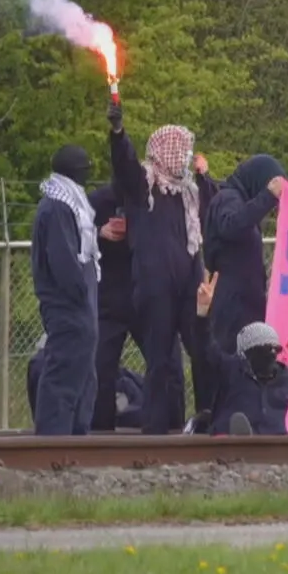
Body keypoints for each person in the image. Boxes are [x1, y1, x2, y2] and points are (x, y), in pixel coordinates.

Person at [107, 100, 216, 433]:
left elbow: (213, 208)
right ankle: (156, 429)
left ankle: (207, 417)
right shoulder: (144, 185)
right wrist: (118, 132)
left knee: (202, 349)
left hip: (188, 285)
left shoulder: (189, 191)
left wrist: (205, 176)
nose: (185, 156)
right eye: (181, 150)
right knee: (160, 359)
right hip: (155, 287)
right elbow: (124, 164)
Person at [30, 145, 100, 436]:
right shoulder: (58, 206)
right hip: (68, 304)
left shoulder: (67, 202)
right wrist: (80, 291)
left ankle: (76, 436)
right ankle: (54, 439)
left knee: (82, 371)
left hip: (78, 302)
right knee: (65, 370)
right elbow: (63, 259)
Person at [204, 155, 286, 356]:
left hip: (244, 304)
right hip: (232, 307)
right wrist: (267, 197)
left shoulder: (240, 200)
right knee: (231, 362)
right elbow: (231, 226)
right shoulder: (228, 198)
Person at [193, 273, 288, 436]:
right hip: (229, 437)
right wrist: (203, 314)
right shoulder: (230, 370)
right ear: (248, 353)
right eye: (266, 349)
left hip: (273, 439)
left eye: (276, 349)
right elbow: (205, 349)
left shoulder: (283, 378)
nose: (273, 355)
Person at [86, 184, 136, 431]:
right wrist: (100, 233)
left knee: (165, 362)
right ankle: (100, 429)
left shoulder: (151, 200)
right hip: (108, 296)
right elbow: (76, 236)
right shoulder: (97, 201)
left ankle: (170, 423)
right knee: (101, 366)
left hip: (144, 293)